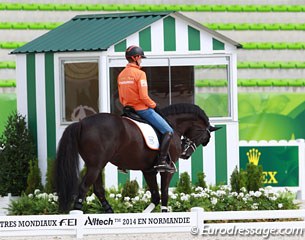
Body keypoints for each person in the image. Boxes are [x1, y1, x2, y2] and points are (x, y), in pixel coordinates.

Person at [117, 45, 175, 173]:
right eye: (140, 58)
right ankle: (162, 161)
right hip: (142, 109)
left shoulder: (121, 74)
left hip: (128, 110)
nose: (141, 60)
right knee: (168, 130)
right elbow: (143, 96)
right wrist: (155, 105)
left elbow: (121, 97)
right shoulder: (140, 74)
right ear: (136, 57)